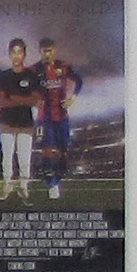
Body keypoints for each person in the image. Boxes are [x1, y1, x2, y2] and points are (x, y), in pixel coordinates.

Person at [35, 36, 86, 201]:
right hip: (44, 118)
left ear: (54, 51)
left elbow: (79, 81)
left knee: (63, 151)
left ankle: (58, 179)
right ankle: (52, 184)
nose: (47, 54)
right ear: (40, 52)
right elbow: (23, 86)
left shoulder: (63, 66)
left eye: (50, 51)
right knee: (47, 151)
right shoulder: (34, 70)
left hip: (62, 117)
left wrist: (72, 98)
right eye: (44, 51)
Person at [0, 36, 41, 196]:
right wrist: (24, 100)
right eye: (13, 52)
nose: (16, 56)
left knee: (24, 158)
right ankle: (7, 185)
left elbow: (35, 99)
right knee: (7, 157)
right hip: (6, 122)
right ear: (9, 54)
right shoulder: (3, 76)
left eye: (19, 52)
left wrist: (15, 98)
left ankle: (23, 187)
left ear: (24, 55)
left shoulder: (31, 75)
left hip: (25, 122)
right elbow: (1, 101)